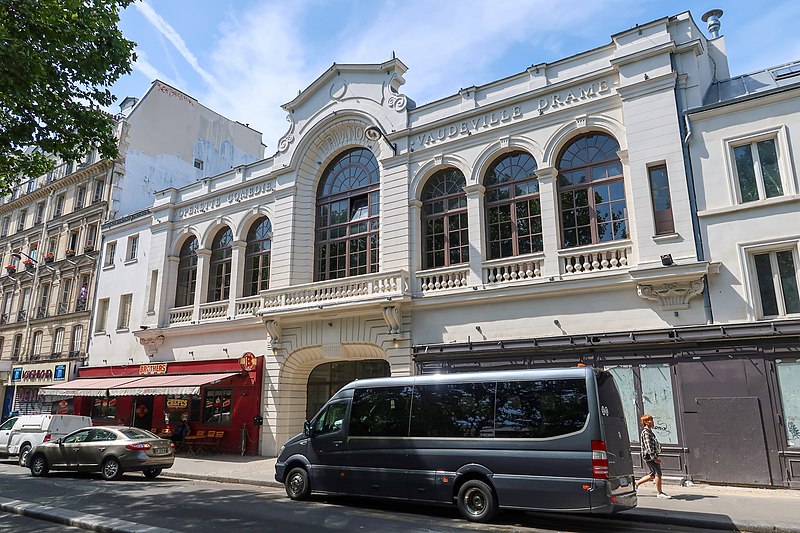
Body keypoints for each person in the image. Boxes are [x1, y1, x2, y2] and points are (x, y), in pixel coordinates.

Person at [636, 414, 671, 498]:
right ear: (645, 422)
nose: (652, 421)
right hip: (650, 456)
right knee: (658, 473)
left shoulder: (649, 432)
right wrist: (654, 457)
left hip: (650, 456)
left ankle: (636, 484)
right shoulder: (646, 433)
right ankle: (660, 493)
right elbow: (648, 446)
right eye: (650, 420)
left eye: (652, 419)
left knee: (652, 474)